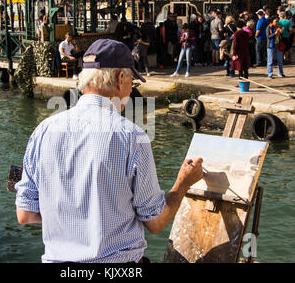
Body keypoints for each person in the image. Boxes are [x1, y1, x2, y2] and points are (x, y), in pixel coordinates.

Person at [15, 39, 205, 263]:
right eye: (132, 83)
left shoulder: (43, 131)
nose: (130, 90)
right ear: (120, 78)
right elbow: (156, 222)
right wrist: (183, 183)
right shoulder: (132, 137)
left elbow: (25, 214)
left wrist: (75, 217)